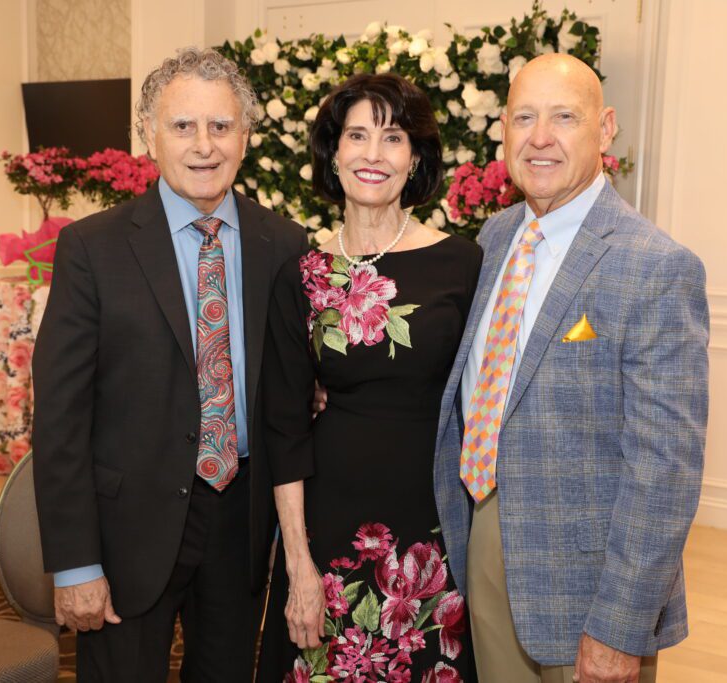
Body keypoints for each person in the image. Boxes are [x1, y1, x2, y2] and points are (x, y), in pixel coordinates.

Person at [31, 47, 308, 682]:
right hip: (126, 532)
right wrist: (76, 564)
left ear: (246, 135)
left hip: (240, 523)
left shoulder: (282, 244)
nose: (204, 145)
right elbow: (61, 419)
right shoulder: (91, 248)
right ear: (148, 135)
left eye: (221, 126)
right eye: (183, 126)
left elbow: (289, 389)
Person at [433, 54, 709, 683]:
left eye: (564, 117)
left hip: (591, 582)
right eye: (524, 117)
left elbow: (666, 472)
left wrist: (620, 627)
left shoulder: (656, 267)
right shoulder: (494, 238)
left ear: (605, 129)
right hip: (487, 535)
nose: (541, 137)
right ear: (502, 130)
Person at [255, 73, 482, 682]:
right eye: (357, 135)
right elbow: (283, 430)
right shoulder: (301, 274)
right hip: (329, 525)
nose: (373, 154)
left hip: (435, 523)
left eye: (394, 137)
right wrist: (299, 565)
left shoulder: (464, 264)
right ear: (334, 153)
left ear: (417, 159)